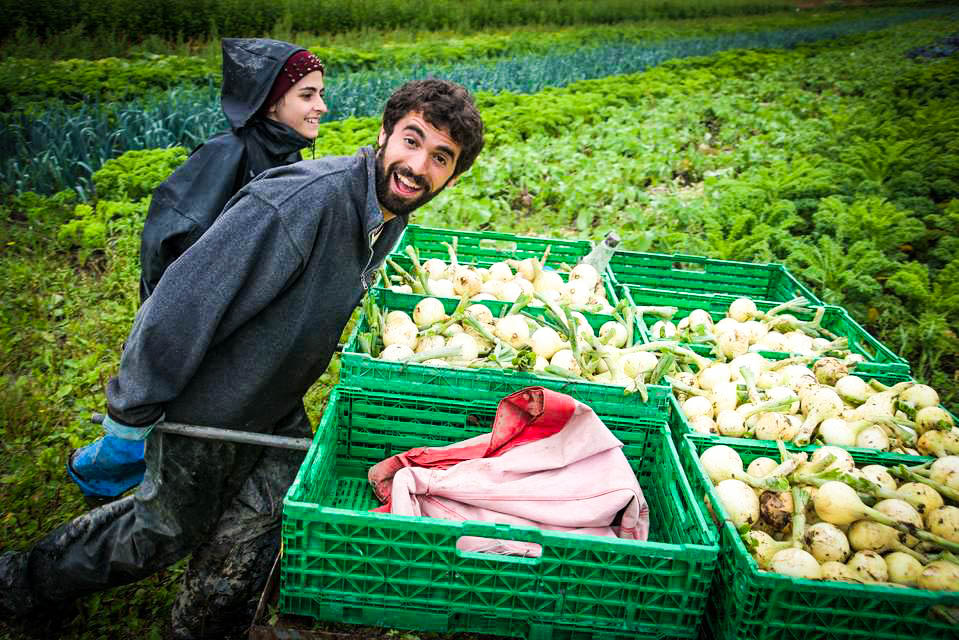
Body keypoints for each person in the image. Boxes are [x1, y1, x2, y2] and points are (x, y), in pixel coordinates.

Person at [0, 78, 485, 639]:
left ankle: (207, 623)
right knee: (162, 530)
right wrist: (131, 414)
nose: (417, 165)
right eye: (411, 139)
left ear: (453, 175)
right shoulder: (302, 201)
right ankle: (22, 583)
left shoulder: (384, 219)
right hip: (208, 405)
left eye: (440, 157)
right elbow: (180, 304)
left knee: (269, 507)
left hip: (271, 400)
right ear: (384, 134)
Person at [66, 38, 328, 506]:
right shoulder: (226, 156)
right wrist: (180, 318)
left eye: (320, 94)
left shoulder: (284, 156)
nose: (321, 107)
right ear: (271, 101)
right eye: (307, 95)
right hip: (198, 319)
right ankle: (100, 476)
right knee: (157, 415)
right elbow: (171, 239)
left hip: (237, 320)